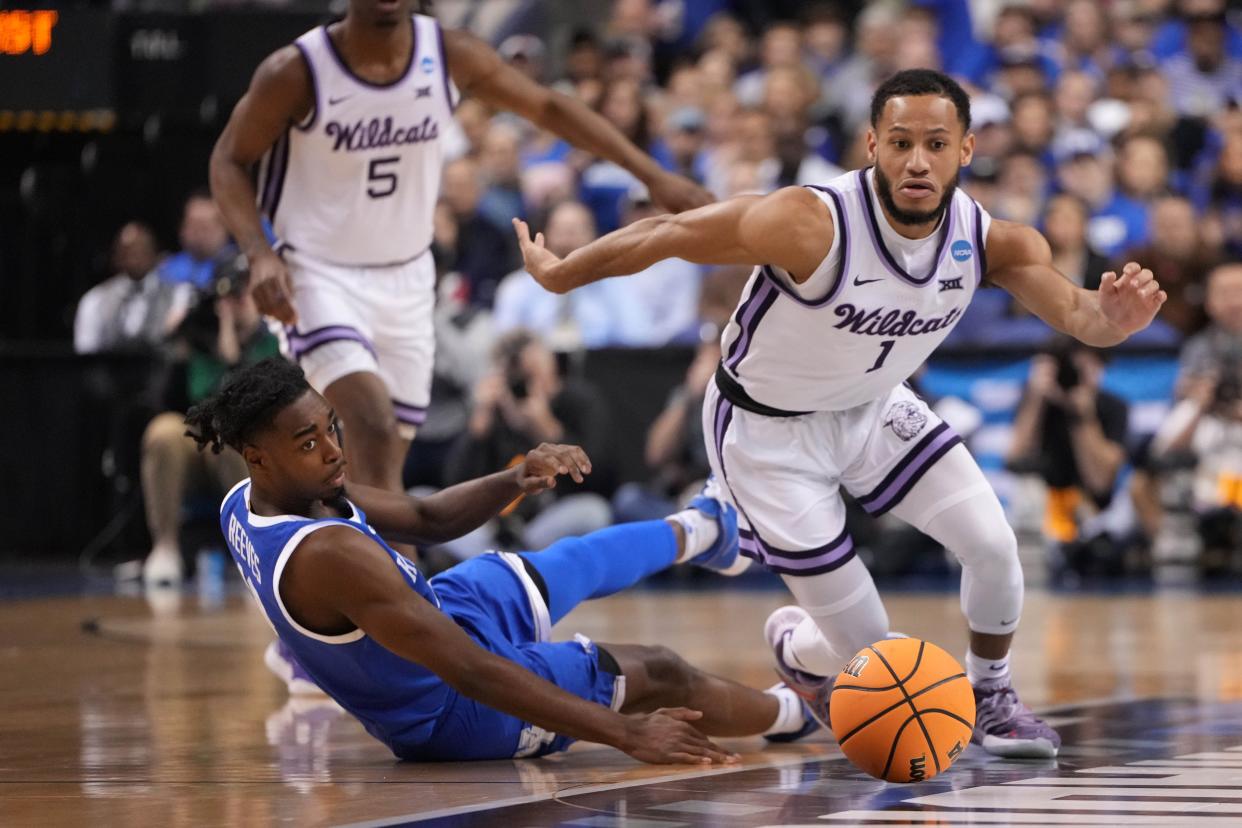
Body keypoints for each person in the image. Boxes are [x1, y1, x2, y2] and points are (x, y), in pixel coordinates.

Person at [513, 69, 1167, 759]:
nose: (918, 160)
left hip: (872, 408)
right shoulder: (808, 223)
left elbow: (1079, 315)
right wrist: (562, 273)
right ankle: (797, 648)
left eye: (937, 144)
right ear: (872, 145)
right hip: (766, 433)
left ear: (966, 150)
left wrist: (1115, 320)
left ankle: (992, 694)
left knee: (997, 549)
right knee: (876, 658)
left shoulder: (993, 241)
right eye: (901, 142)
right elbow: (671, 232)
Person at [208, 0, 711, 540]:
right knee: (371, 424)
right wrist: (259, 253)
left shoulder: (446, 54)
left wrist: (654, 176)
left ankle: (351, 581)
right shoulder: (298, 70)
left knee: (382, 469)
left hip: (407, 277)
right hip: (316, 272)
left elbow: (549, 109)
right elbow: (229, 159)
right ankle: (361, 593)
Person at [186, 357, 820, 762]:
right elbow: (471, 671)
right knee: (658, 670)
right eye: (309, 441)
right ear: (257, 454)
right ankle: (802, 714)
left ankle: (705, 530)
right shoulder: (327, 555)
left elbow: (429, 517)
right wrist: (627, 733)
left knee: (563, 561)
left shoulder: (259, 496)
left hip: (440, 622)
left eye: (330, 426)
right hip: (452, 711)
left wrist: (518, 475)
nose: (332, 449)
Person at [131, 258, 280, 586]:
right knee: (163, 432)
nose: (232, 307)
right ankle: (165, 548)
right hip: (198, 441)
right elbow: (171, 401)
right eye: (225, 300)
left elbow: (261, 400)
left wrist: (235, 357)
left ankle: (255, 550)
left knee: (229, 435)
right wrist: (177, 342)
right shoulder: (200, 338)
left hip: (254, 447)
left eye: (240, 297)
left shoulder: (275, 339)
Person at [1006, 340, 1130, 579]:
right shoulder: (1037, 402)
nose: (1077, 377)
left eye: (1088, 368)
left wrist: (1083, 417)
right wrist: (1036, 398)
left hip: (1092, 512)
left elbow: (1101, 481)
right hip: (1041, 510)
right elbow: (1014, 459)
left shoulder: (1114, 407)